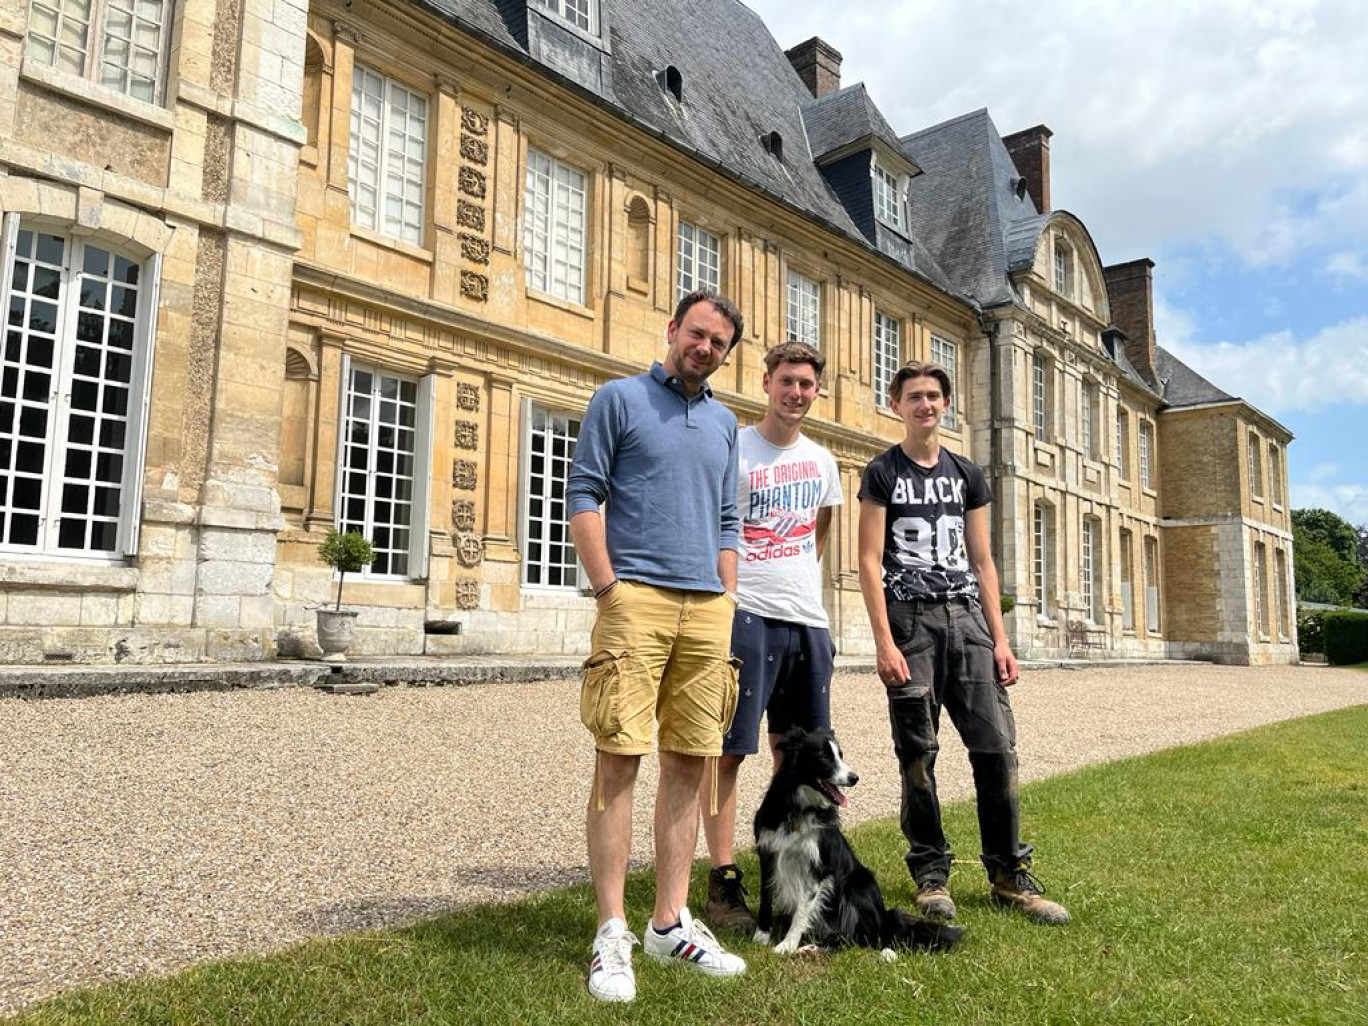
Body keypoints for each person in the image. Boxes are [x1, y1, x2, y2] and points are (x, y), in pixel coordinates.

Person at [567, 288, 749, 1003]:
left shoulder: (726, 423)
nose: (704, 348)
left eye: (719, 344)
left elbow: (729, 518)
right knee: (618, 759)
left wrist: (726, 596)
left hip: (707, 608)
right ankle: (612, 930)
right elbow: (584, 494)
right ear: (673, 330)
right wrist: (609, 588)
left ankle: (669, 923)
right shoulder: (618, 398)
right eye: (697, 334)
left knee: (691, 763)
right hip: (635, 599)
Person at [857, 361, 1069, 926]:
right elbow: (868, 560)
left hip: (968, 621)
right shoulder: (882, 472)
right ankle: (931, 875)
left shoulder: (968, 474)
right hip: (910, 622)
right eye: (913, 397)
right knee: (918, 755)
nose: (924, 405)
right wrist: (884, 640)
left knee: (996, 749)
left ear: (946, 405)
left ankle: (1008, 873)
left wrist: (1000, 637)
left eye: (933, 396)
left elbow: (982, 560)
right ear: (896, 404)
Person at [698, 341, 843, 934]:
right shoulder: (738, 448)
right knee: (730, 749)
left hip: (808, 620)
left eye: (807, 384)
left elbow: (820, 534)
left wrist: (799, 585)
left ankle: (793, 871)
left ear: (816, 390)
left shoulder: (824, 461)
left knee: (803, 754)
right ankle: (725, 877)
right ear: (766, 382)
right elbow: (717, 528)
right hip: (748, 614)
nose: (797, 393)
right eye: (787, 381)